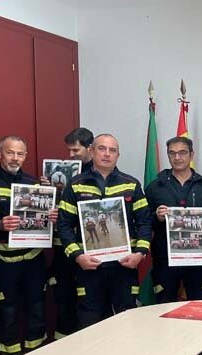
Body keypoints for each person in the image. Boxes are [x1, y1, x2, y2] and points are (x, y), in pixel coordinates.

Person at [57, 133, 151, 329]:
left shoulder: (131, 184)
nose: (107, 154)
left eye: (112, 150)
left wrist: (140, 254)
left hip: (124, 266)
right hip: (90, 267)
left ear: (118, 155)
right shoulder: (75, 185)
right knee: (90, 323)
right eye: (102, 148)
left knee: (127, 322)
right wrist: (77, 256)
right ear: (91, 151)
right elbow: (63, 226)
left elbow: (145, 222)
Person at [0, 135, 58, 355]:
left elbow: (45, 224)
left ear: (26, 156)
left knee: (36, 309)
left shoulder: (36, 185)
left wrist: (51, 216)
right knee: (6, 313)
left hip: (33, 259)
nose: (15, 158)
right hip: (1, 261)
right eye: (9, 152)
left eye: (20, 154)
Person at [145, 136, 202, 302]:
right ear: (168, 156)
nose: (177, 158)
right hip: (165, 259)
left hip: (197, 260)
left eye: (182, 153)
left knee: (198, 308)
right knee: (164, 308)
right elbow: (143, 223)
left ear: (191, 155)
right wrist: (157, 217)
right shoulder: (155, 187)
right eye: (172, 153)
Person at [46, 127, 94, 339]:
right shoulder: (61, 173)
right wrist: (48, 193)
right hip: (63, 250)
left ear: (90, 149)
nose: (71, 155)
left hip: (90, 250)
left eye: (76, 150)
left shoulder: (99, 176)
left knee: (89, 304)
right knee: (63, 300)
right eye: (69, 150)